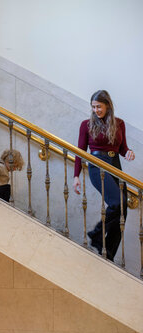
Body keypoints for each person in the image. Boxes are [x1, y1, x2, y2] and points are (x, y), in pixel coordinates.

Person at [73, 90, 135, 261]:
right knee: (117, 202)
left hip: (115, 165)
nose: (96, 110)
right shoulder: (86, 124)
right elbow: (80, 151)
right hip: (97, 165)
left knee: (123, 210)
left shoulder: (119, 123)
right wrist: (76, 175)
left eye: (99, 106)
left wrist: (128, 152)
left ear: (108, 105)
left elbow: (122, 148)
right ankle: (97, 233)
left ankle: (108, 253)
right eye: (93, 107)